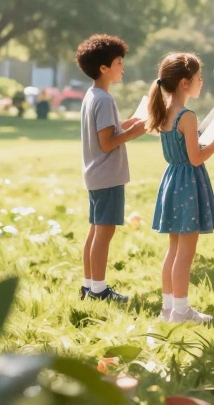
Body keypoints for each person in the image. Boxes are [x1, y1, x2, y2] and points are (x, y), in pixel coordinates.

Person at [148, 52, 214, 323]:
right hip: (188, 185)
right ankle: (181, 311)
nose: (201, 82)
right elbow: (196, 158)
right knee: (186, 252)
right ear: (185, 82)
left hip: (172, 181)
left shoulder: (164, 112)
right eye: (198, 77)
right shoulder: (187, 116)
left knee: (173, 249)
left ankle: (168, 308)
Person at [75, 34, 146, 303]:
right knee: (104, 232)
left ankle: (88, 285)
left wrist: (127, 124)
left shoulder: (93, 95)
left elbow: (105, 132)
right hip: (107, 176)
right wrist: (133, 133)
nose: (122, 67)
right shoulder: (104, 99)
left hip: (96, 175)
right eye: (118, 62)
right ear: (103, 68)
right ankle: (99, 290)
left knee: (95, 230)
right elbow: (107, 143)